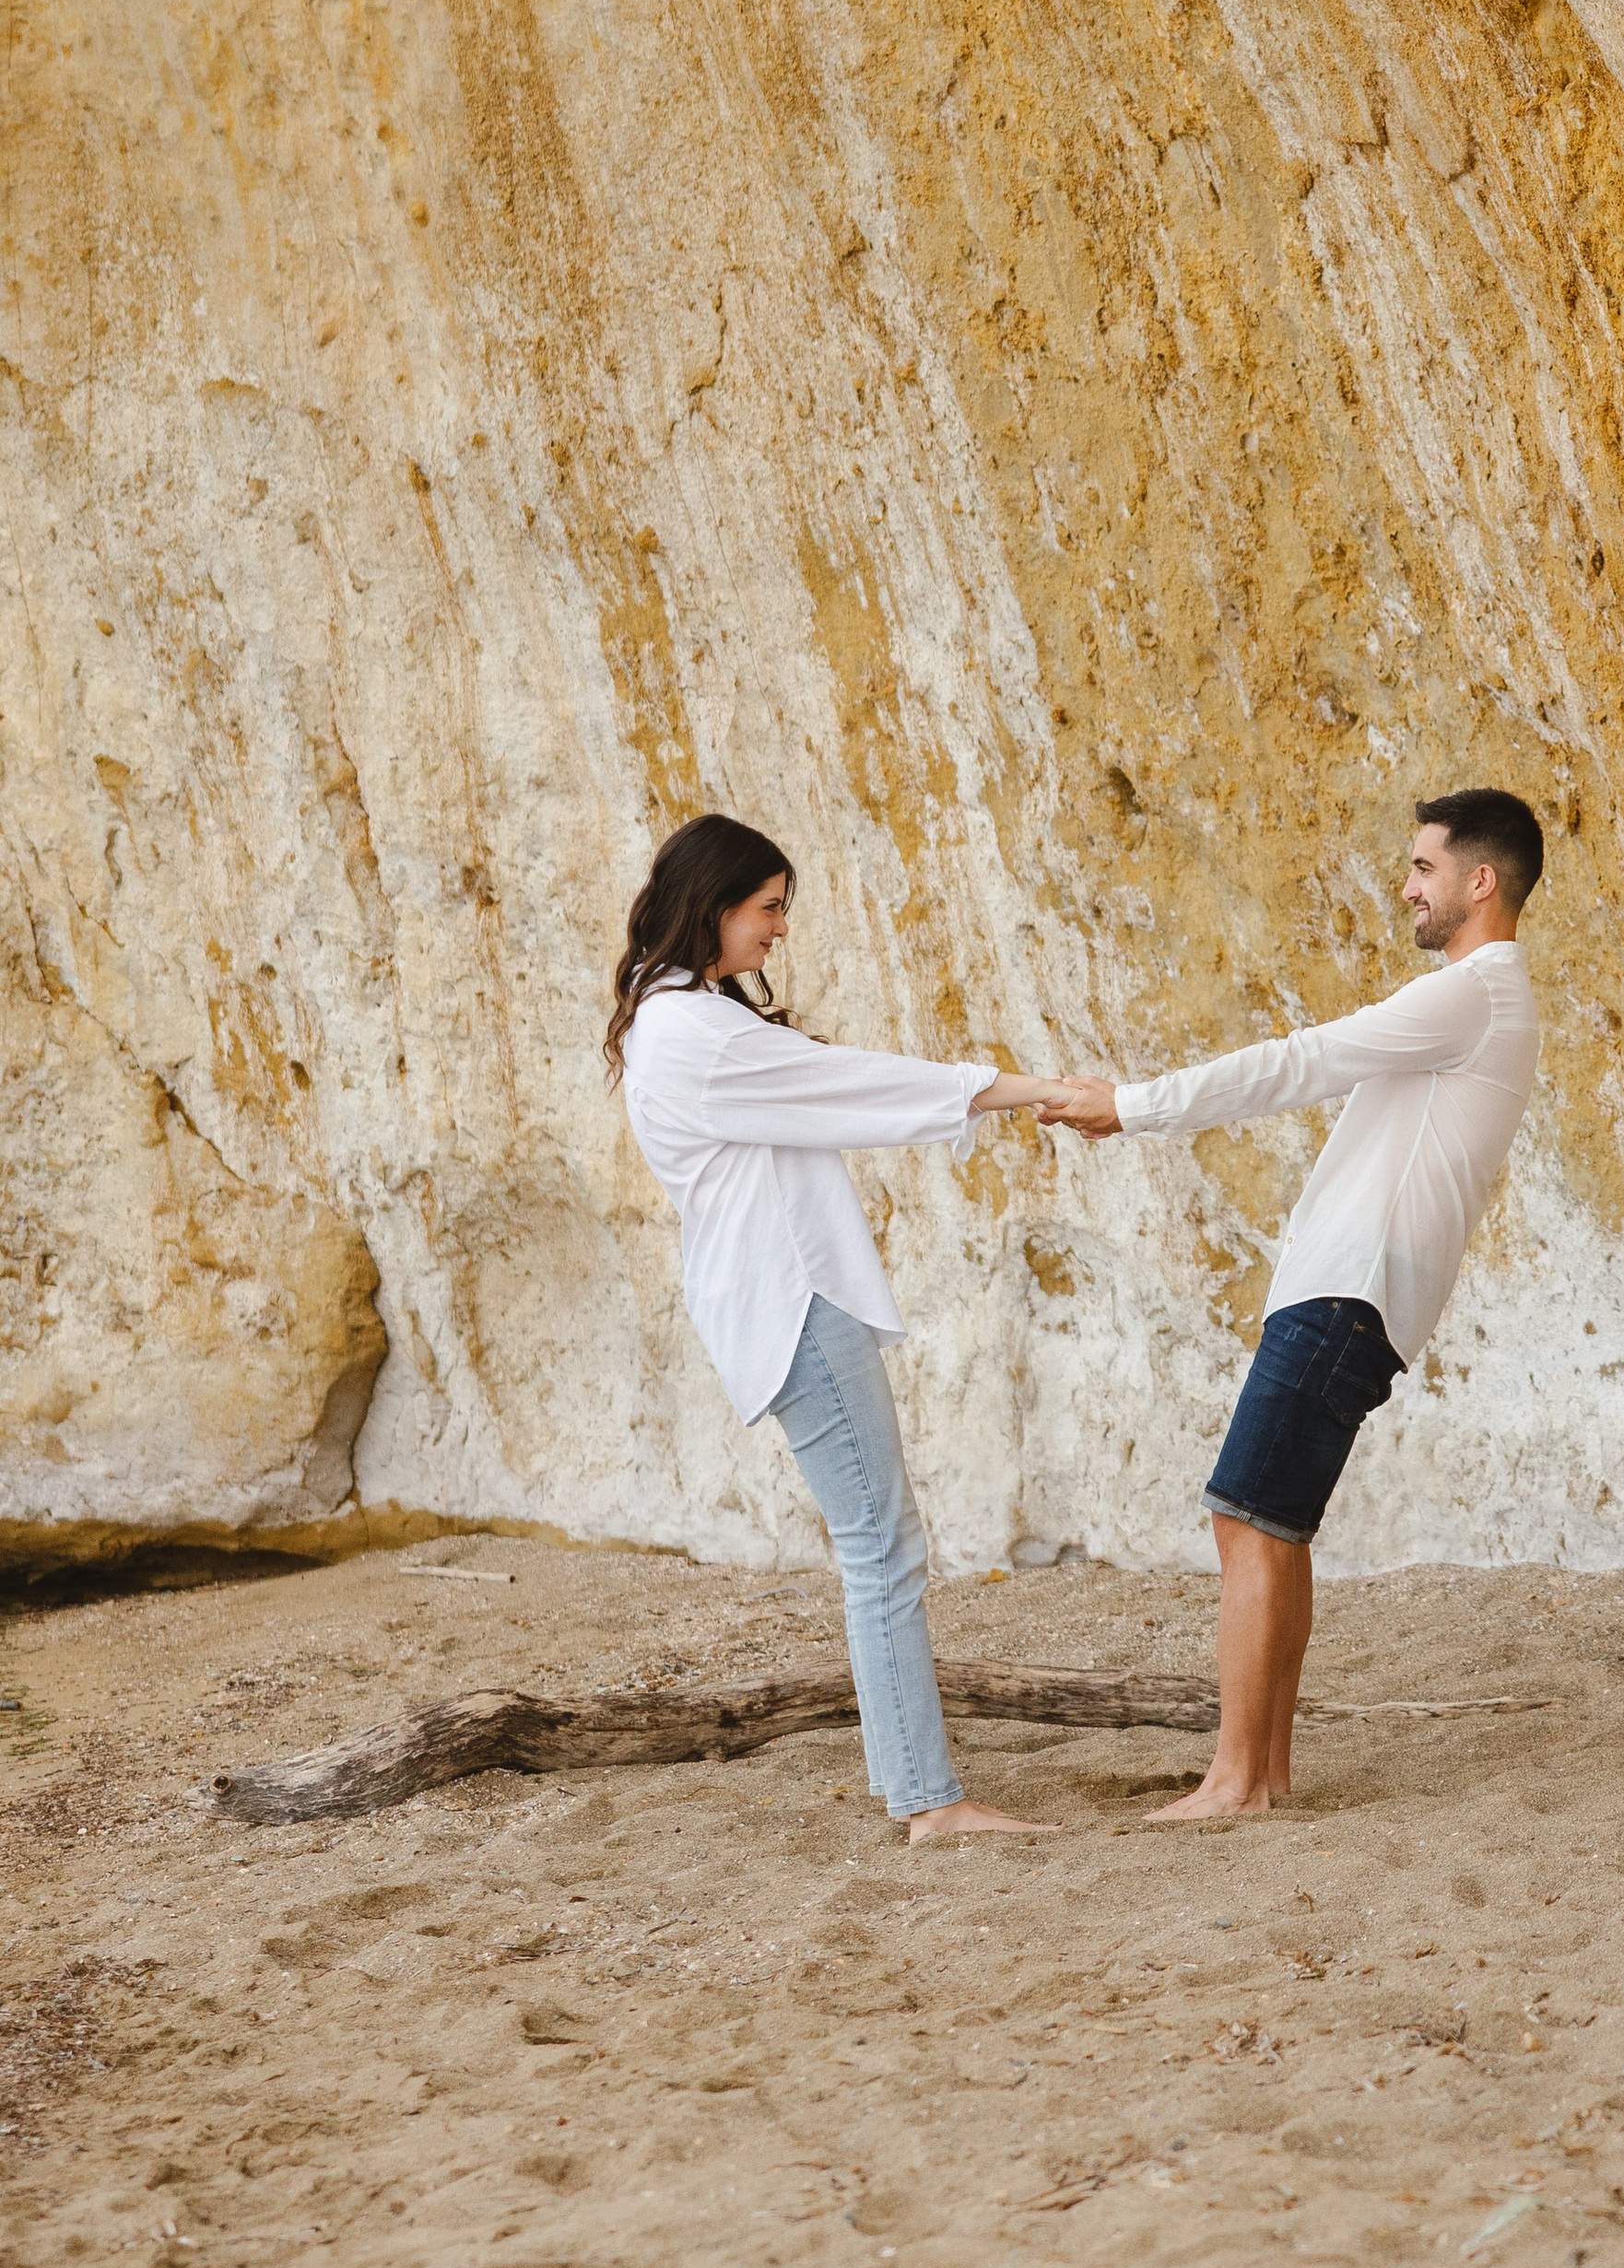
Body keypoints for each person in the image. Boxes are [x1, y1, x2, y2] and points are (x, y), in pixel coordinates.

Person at [1042, 787, 1544, 1821]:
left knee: (1247, 1520)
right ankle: (1261, 1775)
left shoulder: (1476, 990)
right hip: (1347, 1296)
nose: (1406, 886)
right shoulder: (1481, 999)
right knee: (1268, 1527)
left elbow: (1299, 1061)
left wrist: (1128, 1106)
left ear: (1479, 882)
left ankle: (1233, 1781)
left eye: (1422, 868)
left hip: (1349, 1296)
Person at [608, 812, 1067, 1842]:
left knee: (878, 1543)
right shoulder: (693, 1032)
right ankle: (927, 1802)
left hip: (785, 1299)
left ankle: (920, 1790)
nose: (776, 931)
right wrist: (1026, 1089)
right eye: (766, 910)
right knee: (882, 1547)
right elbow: (859, 1086)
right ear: (713, 905)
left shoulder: (681, 1013)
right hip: (792, 1303)